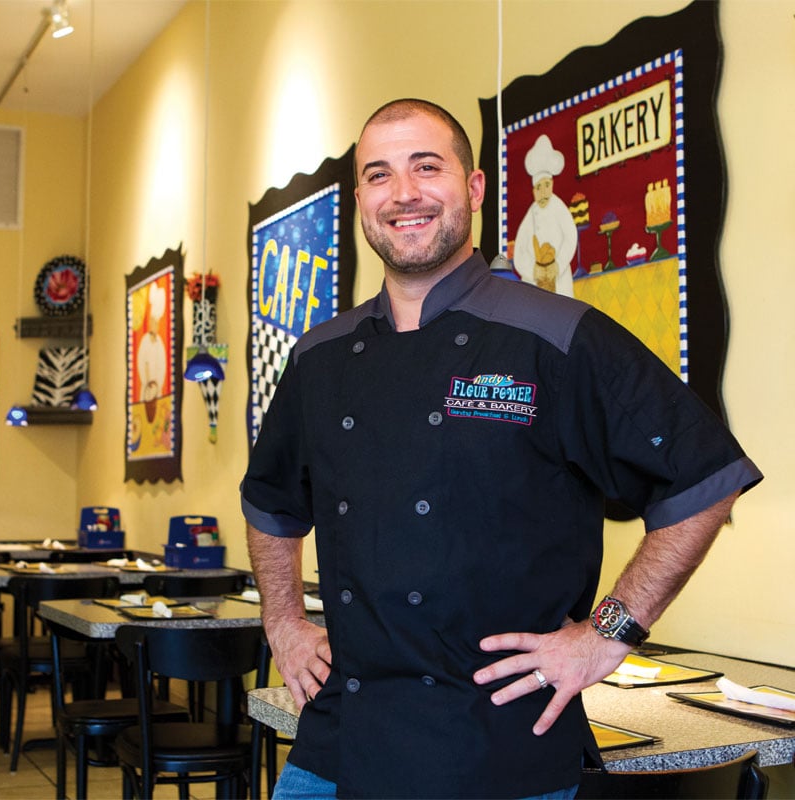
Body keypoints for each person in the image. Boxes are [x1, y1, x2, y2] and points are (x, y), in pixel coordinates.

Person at [242, 98, 762, 800]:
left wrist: (607, 633)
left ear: (475, 187)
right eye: (378, 174)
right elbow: (271, 501)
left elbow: (704, 478)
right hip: (339, 739)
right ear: (361, 199)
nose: (403, 193)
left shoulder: (557, 335)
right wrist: (282, 621)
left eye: (427, 167)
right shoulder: (319, 356)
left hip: (500, 746)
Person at [512, 134, 577, 297]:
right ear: (533, 190)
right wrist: (532, 270)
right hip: (534, 284)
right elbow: (519, 251)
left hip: (559, 280)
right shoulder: (530, 215)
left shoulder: (559, 207)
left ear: (552, 185)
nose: (543, 192)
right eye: (538, 187)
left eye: (546, 185)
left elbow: (571, 236)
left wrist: (558, 265)